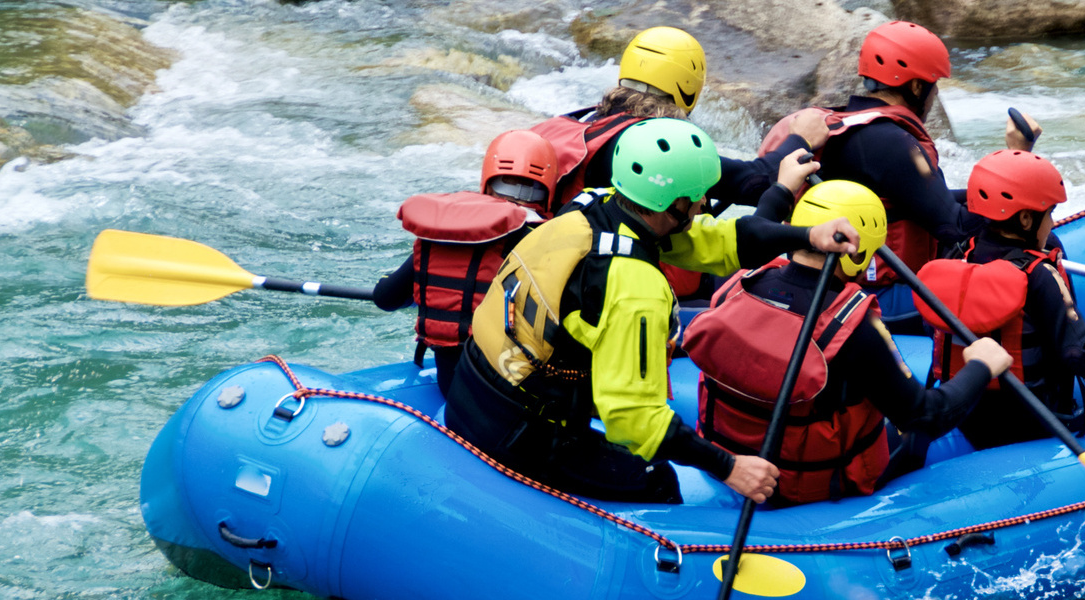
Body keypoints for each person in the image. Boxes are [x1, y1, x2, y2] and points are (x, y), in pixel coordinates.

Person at [444, 118, 862, 505]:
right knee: (657, 479)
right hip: (516, 433)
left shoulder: (597, 209)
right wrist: (730, 467)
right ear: (675, 202)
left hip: (470, 388)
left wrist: (808, 234)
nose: (703, 205)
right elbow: (633, 418)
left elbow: (720, 242)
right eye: (699, 198)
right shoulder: (634, 289)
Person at [682, 180, 1011, 505]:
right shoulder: (852, 326)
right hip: (805, 487)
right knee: (912, 437)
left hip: (728, 462)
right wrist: (981, 366)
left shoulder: (738, 284)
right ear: (860, 252)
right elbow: (924, 416)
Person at [754, 21, 1039, 331]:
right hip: (877, 296)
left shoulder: (846, 126)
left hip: (820, 280)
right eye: (934, 83)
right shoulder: (893, 143)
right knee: (1030, 244)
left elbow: (913, 199)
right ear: (916, 87)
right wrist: (1020, 157)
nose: (935, 93)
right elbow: (956, 229)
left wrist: (977, 194)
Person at [528, 26, 829, 300]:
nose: (699, 202)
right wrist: (799, 139)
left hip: (565, 258)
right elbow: (754, 182)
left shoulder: (581, 120)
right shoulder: (660, 148)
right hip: (638, 272)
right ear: (689, 85)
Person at [916, 150, 1085, 450]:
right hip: (1037, 423)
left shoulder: (958, 256)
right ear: (1024, 219)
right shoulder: (1038, 275)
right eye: (1048, 214)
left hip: (971, 418)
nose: (1052, 224)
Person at [373, 130, 560, 393]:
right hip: (511, 391)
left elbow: (385, 297)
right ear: (548, 190)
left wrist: (423, 291)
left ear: (487, 182)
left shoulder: (444, 231)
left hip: (451, 386)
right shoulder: (545, 238)